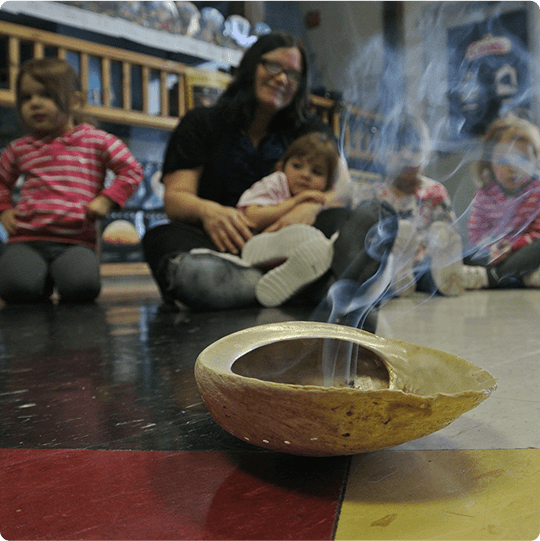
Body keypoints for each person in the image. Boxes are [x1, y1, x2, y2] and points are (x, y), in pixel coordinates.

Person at [142, 31, 344, 311]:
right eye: (274, 66)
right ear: (251, 66)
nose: (282, 79)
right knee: (160, 239)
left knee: (342, 219)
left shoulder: (310, 129)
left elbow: (344, 188)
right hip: (221, 244)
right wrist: (208, 211)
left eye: (293, 75)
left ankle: (248, 288)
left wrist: (310, 207)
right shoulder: (201, 122)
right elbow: (176, 198)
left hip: (293, 240)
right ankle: (302, 287)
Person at [0, 58, 143, 303]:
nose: (35, 103)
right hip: (27, 238)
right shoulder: (19, 149)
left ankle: (48, 277)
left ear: (75, 101)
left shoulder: (97, 141)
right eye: (26, 97)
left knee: (82, 289)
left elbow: (131, 171)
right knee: (15, 290)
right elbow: (1, 182)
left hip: (76, 239)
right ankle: (38, 279)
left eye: (47, 95)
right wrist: (4, 210)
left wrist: (106, 200)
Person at [353, 113, 486, 297]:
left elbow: (448, 231)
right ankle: (398, 279)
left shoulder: (435, 192)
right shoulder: (371, 194)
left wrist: (441, 241)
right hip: (388, 260)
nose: (406, 156)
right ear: (382, 154)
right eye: (397, 148)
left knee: (431, 274)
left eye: (415, 149)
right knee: (378, 270)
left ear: (428, 155)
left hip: (426, 260)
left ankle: (446, 279)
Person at [237, 131, 342, 307]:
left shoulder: (321, 199)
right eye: (297, 166)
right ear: (281, 166)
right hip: (252, 240)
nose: (305, 175)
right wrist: (296, 201)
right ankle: (266, 250)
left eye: (316, 172)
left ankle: (298, 274)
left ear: (328, 183)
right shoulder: (276, 182)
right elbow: (251, 217)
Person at [461, 115, 540, 288]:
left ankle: (489, 278)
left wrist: (513, 246)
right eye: (503, 160)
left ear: (536, 160)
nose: (513, 168)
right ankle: (521, 276)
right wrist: (493, 250)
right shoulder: (484, 196)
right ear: (490, 163)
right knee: (463, 252)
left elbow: (537, 233)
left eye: (523, 159)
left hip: (523, 251)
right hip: (494, 255)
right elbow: (476, 236)